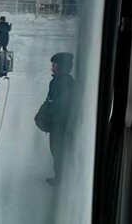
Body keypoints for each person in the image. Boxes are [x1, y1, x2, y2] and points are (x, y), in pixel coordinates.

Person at [43, 52, 74, 186]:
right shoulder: (55, 81)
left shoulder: (67, 83)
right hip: (55, 123)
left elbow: (63, 105)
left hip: (61, 124)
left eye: (54, 65)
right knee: (55, 150)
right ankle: (59, 175)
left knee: (59, 150)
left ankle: (61, 178)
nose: (52, 68)